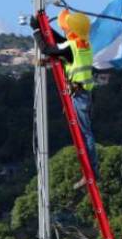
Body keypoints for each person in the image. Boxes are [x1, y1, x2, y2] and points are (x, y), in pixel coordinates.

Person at [31, 10, 98, 183]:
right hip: (85, 93)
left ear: (72, 30)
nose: (65, 30)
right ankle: (91, 170)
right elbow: (60, 43)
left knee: (85, 134)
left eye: (67, 28)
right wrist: (44, 25)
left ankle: (91, 172)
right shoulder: (83, 44)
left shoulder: (71, 47)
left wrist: (36, 30)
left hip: (79, 95)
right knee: (86, 133)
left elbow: (48, 49)